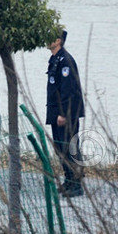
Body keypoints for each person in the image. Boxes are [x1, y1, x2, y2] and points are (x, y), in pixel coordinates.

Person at [46, 29, 85, 198]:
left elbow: (68, 90)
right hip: (56, 113)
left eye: (50, 38)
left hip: (66, 114)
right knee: (60, 148)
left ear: (59, 40)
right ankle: (68, 181)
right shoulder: (55, 59)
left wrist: (64, 114)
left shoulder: (66, 61)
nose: (47, 41)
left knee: (69, 147)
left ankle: (76, 185)